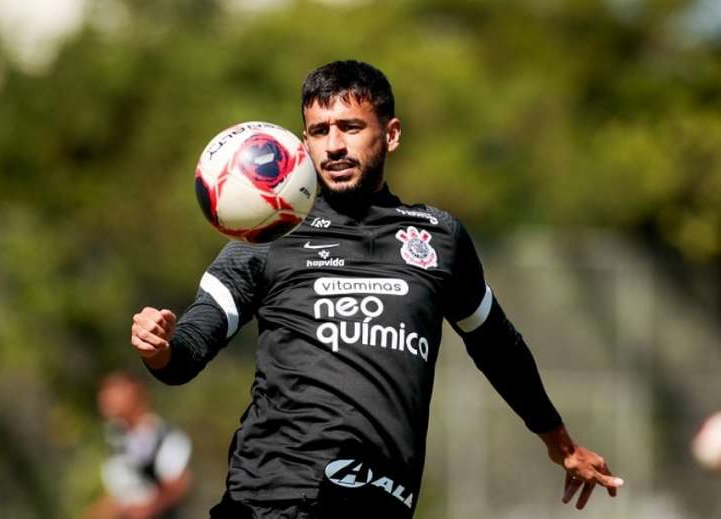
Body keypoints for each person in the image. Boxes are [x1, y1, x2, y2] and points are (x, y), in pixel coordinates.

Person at [131, 60, 624, 518]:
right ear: (305, 141)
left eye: (350, 127)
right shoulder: (269, 234)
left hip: (380, 501)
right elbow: (188, 351)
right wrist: (161, 345)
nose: (334, 146)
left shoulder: (436, 237)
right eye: (320, 131)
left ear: (389, 134)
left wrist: (560, 444)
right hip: (271, 495)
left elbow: (498, 346)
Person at [84, 371, 192, 519]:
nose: (104, 397)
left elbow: (178, 485)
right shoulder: (115, 441)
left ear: (134, 392)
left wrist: (146, 509)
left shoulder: (166, 438)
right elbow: (120, 496)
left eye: (113, 390)